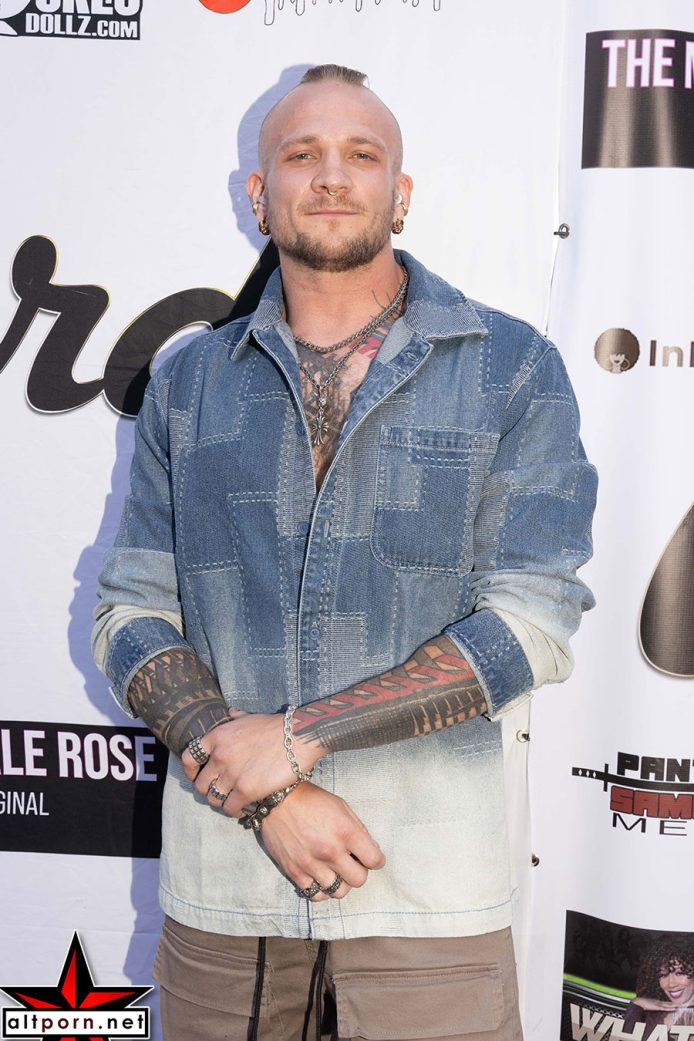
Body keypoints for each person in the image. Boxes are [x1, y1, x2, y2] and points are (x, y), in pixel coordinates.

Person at [93, 63, 597, 1041]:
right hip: (225, 892)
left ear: (400, 194)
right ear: (259, 194)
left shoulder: (512, 368)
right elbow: (130, 613)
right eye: (302, 154)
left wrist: (297, 739)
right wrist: (271, 796)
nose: (331, 175)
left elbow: (530, 624)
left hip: (428, 896)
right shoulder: (190, 382)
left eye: (361, 155)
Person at [623, 935, 694, 1035]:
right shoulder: (653, 1017)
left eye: (679, 973)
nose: (671, 984)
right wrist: (637, 1003)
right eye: (663, 975)